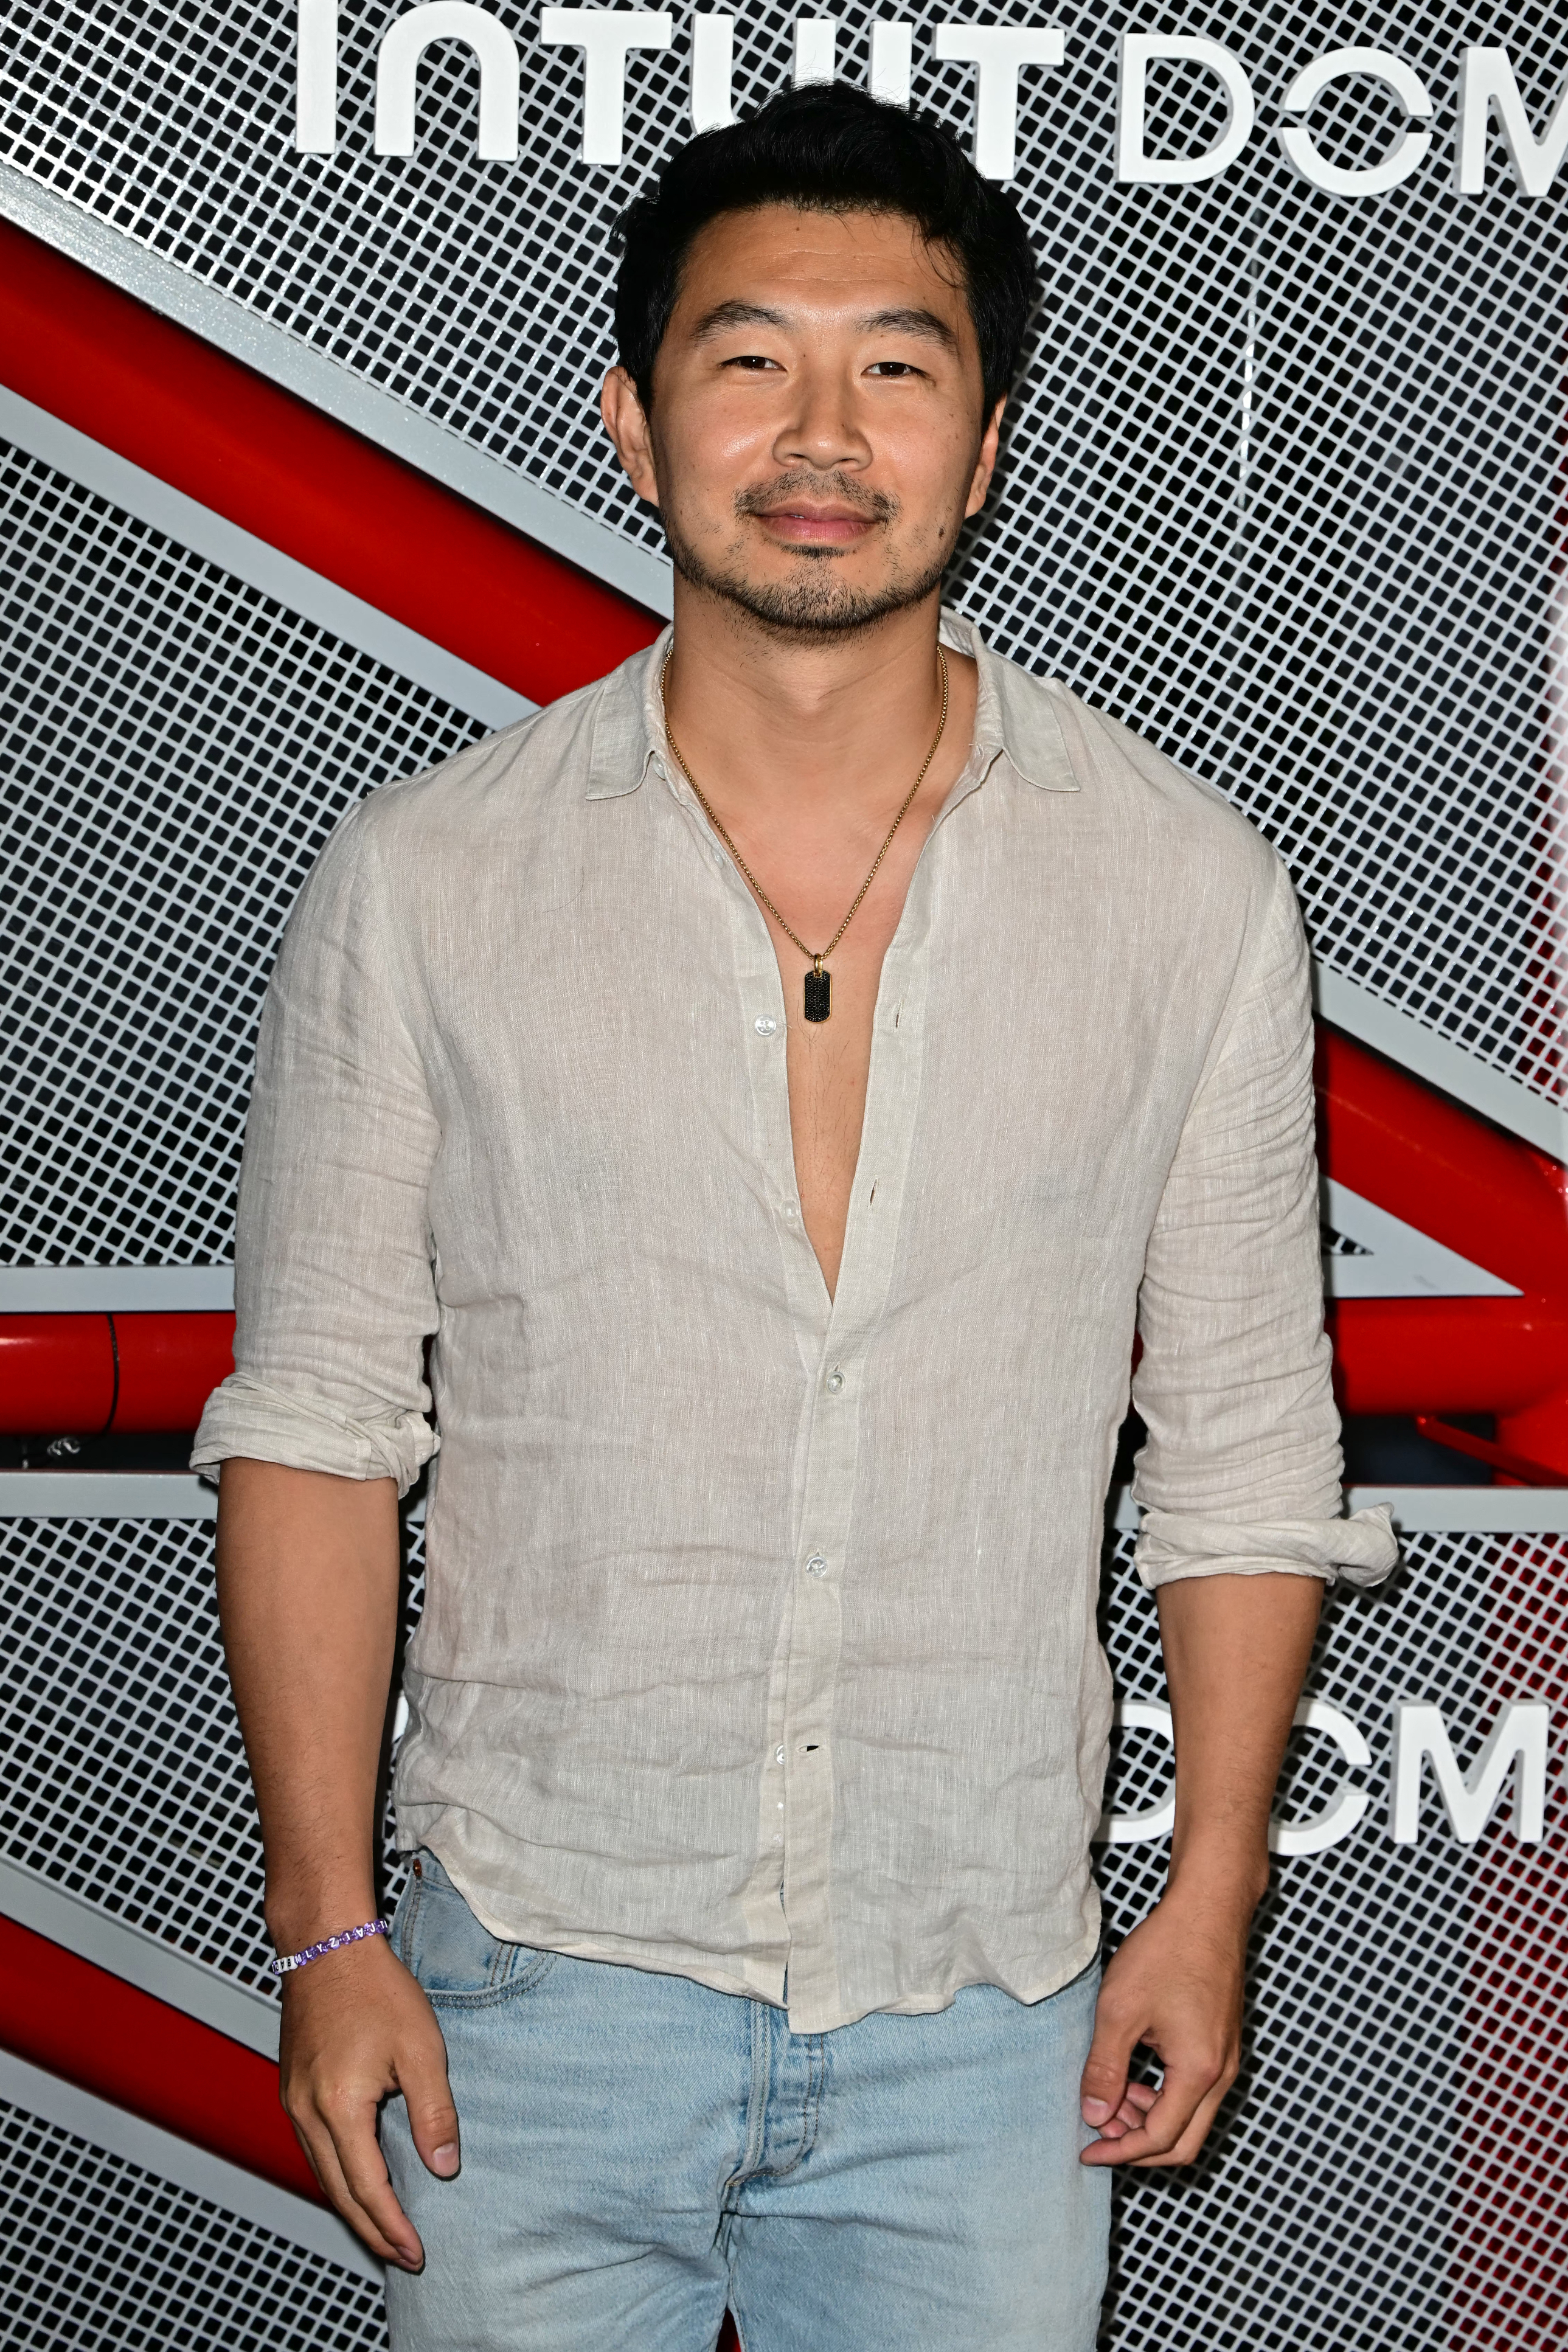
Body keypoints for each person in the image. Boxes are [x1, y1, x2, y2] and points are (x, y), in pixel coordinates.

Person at [196, 84, 1395, 2352]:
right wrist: (327, 1930)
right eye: (750, 360)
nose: (820, 428)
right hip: (524, 1993)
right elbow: (319, 1426)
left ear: (986, 436)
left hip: (981, 2008)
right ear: (640, 427)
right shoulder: (426, 879)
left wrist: (1211, 1894)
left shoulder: (1186, 891)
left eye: (896, 363)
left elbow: (1245, 1445)